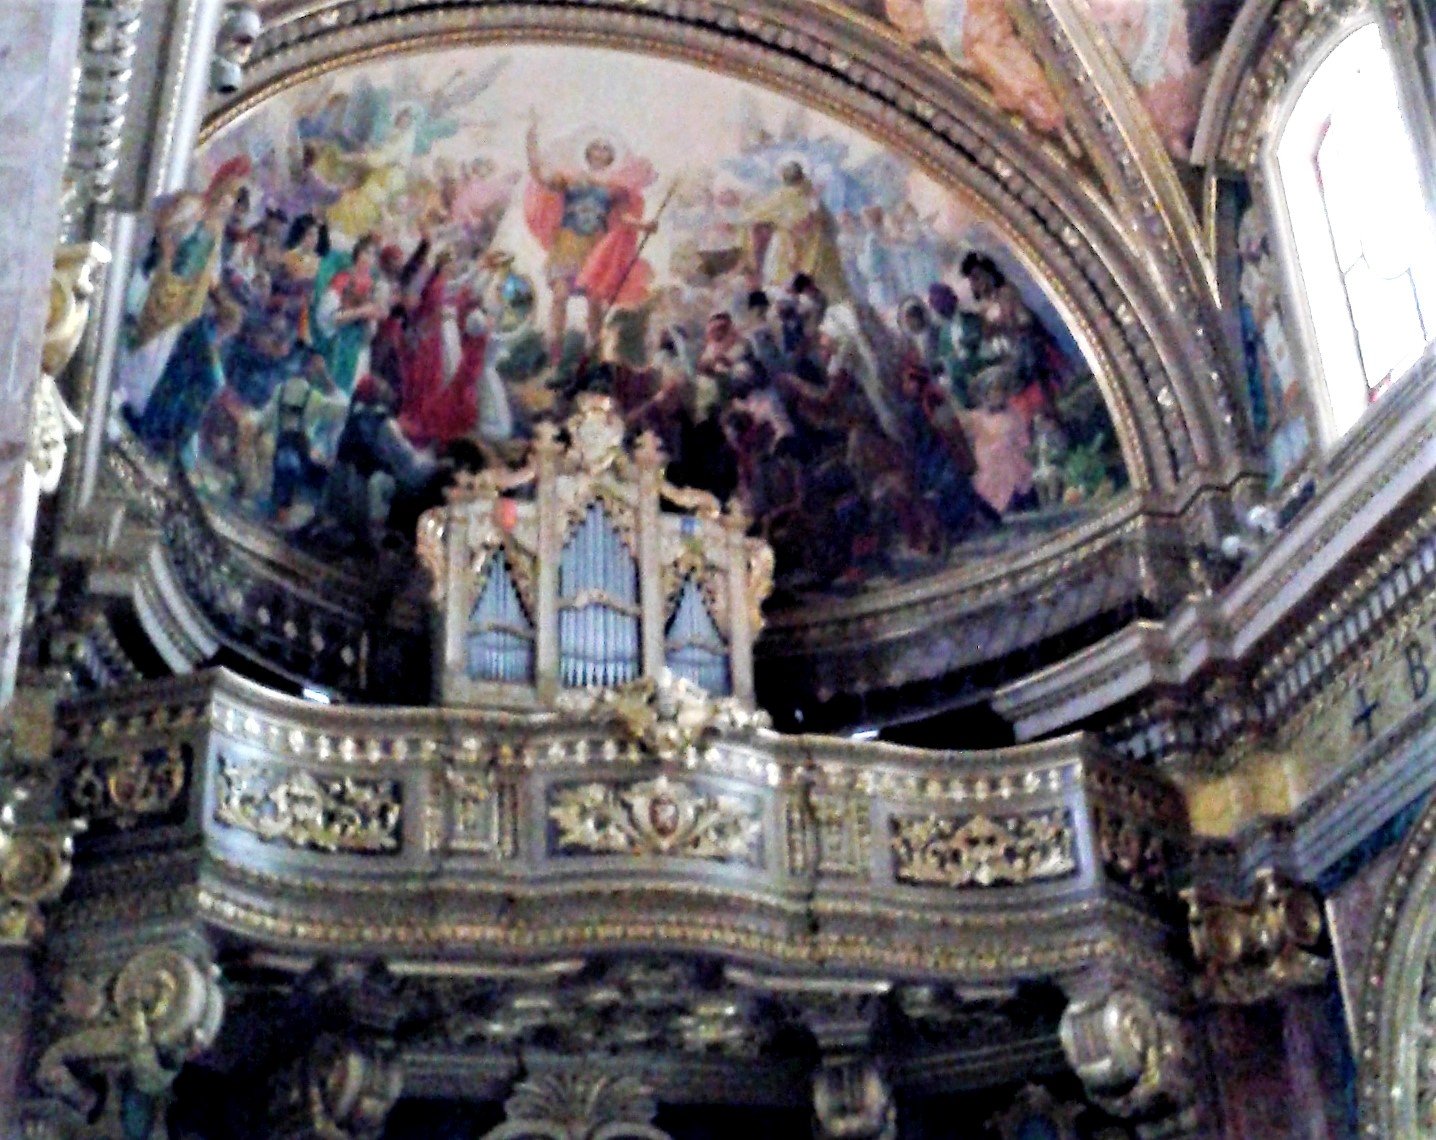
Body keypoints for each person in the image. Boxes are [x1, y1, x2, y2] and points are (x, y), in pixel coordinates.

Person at [523, 115, 659, 362]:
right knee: (560, 296)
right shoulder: (571, 179)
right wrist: (531, 140)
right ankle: (554, 352)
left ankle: (593, 353)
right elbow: (540, 175)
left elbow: (622, 218)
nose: (600, 152)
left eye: (606, 149)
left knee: (594, 303)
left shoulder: (613, 188)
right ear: (587, 152)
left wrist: (644, 224)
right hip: (567, 243)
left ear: (611, 157)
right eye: (596, 147)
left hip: (595, 248)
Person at [743, 161, 849, 303]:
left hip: (803, 249)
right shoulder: (806, 194)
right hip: (802, 249)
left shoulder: (789, 195)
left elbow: (754, 217)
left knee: (801, 286)